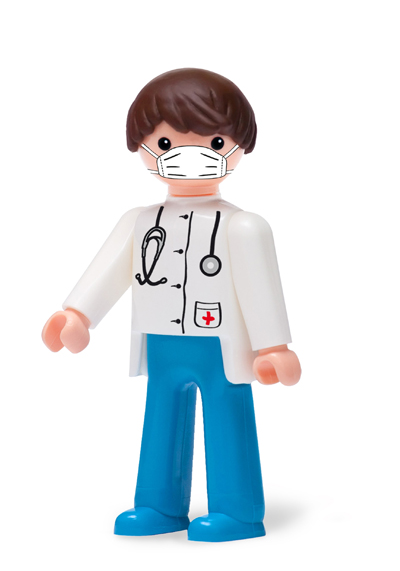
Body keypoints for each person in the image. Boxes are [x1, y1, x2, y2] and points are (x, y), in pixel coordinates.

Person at [42, 68, 301, 542]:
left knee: (227, 417)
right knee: (161, 419)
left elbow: (261, 287)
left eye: (214, 144)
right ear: (141, 146)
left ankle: (239, 512)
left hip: (221, 344)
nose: (189, 158)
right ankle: (158, 505)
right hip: (160, 340)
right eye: (165, 144)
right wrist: (77, 315)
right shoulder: (139, 221)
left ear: (240, 146)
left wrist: (274, 347)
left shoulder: (244, 226)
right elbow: (108, 271)